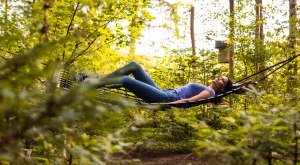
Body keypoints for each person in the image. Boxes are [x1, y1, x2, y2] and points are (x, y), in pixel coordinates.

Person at [83, 61, 233, 103]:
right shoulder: (208, 88)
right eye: (220, 76)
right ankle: (97, 82)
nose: (219, 78)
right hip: (164, 92)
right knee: (134, 66)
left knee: (126, 80)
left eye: (222, 80)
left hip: (166, 98)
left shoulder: (211, 92)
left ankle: (91, 83)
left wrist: (172, 104)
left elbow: (190, 100)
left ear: (222, 88)